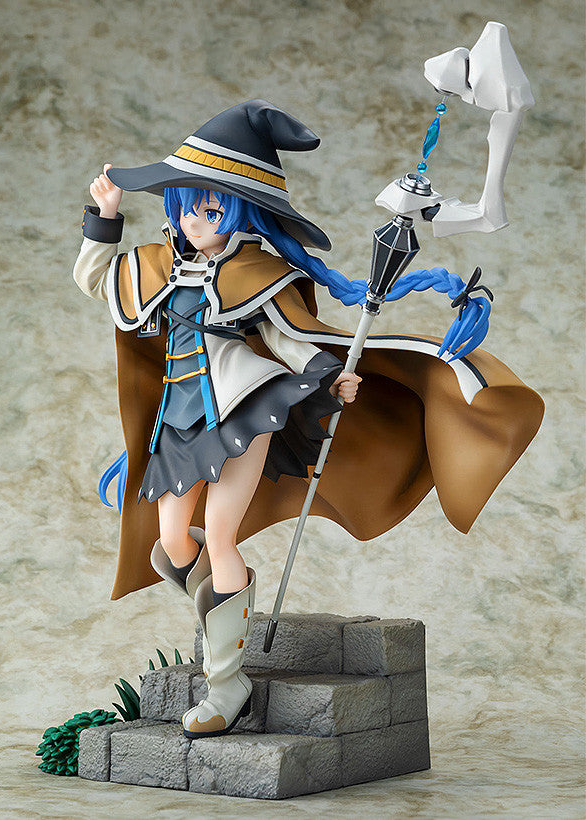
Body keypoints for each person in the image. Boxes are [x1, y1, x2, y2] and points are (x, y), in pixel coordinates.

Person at [73, 100, 544, 739]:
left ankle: (226, 683)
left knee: (220, 536)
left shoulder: (256, 272)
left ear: (241, 215)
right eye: (186, 207)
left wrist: (328, 377)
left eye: (211, 210)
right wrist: (104, 217)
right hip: (178, 418)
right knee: (172, 544)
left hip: (243, 408)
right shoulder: (155, 265)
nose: (194, 221)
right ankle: (229, 611)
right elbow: (97, 280)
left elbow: (290, 338)